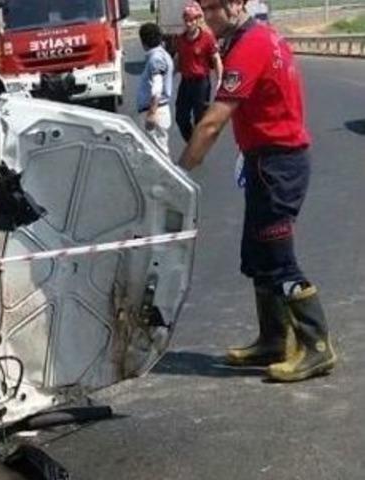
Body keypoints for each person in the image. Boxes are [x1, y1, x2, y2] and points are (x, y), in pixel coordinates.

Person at [179, 0, 336, 382]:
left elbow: (213, 122)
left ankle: (317, 346)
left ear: (235, 5)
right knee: (256, 254)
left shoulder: (251, 44)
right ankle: (272, 339)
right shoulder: (252, 38)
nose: (205, 17)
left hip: (278, 163)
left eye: (212, 8)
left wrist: (176, 174)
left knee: (278, 258)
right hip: (264, 160)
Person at [174, 1, 223, 142]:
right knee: (181, 117)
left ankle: (198, 144)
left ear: (197, 20)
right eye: (186, 20)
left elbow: (216, 59)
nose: (189, 24)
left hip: (201, 83)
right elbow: (178, 59)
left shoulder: (207, 38)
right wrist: (169, 74)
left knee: (200, 117)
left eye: (191, 20)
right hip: (186, 82)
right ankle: (191, 142)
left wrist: (219, 79)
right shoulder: (181, 39)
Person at [137, 23, 175, 156]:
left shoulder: (156, 59)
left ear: (143, 41)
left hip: (155, 111)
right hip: (158, 110)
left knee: (158, 156)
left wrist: (152, 113)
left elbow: (157, 86)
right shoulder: (162, 55)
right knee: (157, 153)